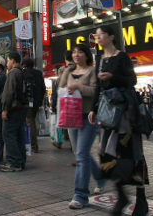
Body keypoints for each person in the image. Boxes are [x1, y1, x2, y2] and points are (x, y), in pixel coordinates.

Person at [90, 26, 149, 216]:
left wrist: (113, 76)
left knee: (132, 154)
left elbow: (132, 80)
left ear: (111, 36)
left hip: (125, 115)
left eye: (102, 34)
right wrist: (93, 109)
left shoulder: (122, 57)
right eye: (96, 35)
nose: (98, 37)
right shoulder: (99, 60)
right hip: (108, 115)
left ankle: (141, 199)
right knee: (108, 155)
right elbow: (98, 87)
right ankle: (121, 195)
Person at [59, 43, 105, 209]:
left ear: (87, 55)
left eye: (80, 52)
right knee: (80, 153)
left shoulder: (92, 71)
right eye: (74, 52)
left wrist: (78, 87)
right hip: (71, 115)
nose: (76, 55)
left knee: (81, 154)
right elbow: (60, 87)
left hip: (88, 116)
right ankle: (100, 176)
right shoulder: (69, 71)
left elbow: (95, 91)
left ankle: (80, 195)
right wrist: (67, 82)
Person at [1, 51, 28, 172]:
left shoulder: (13, 72)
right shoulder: (22, 71)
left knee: (8, 133)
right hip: (23, 107)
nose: (7, 63)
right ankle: (21, 160)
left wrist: (5, 109)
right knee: (19, 134)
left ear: (13, 61)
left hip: (14, 107)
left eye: (7, 61)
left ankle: (14, 162)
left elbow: (9, 92)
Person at [22, 57, 46, 153]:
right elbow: (43, 88)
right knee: (32, 120)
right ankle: (32, 144)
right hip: (36, 102)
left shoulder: (23, 73)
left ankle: (32, 145)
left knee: (29, 121)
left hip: (26, 101)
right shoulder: (39, 73)